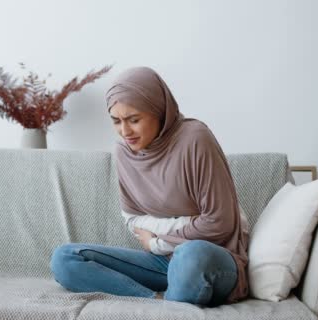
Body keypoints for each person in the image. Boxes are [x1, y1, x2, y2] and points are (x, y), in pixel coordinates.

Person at [50, 66, 249, 307]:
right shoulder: (124, 153)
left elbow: (220, 222)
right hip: (161, 264)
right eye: (116, 121)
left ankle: (171, 301)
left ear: (159, 111)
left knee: (189, 255)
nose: (125, 132)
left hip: (210, 260)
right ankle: (155, 303)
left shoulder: (195, 138)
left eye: (134, 120)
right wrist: (185, 225)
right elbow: (133, 219)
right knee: (65, 258)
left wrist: (157, 242)